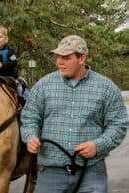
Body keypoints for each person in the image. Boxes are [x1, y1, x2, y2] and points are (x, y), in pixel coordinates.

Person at [20, 35, 128, 193]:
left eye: (66, 57)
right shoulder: (43, 85)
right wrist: (30, 136)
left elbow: (118, 124)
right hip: (50, 173)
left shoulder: (106, 88)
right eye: (58, 57)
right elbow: (29, 118)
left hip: (91, 172)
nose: (59, 62)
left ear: (82, 58)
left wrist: (98, 145)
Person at [0, 24, 29, 103]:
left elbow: (14, 63)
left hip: (9, 78)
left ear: (6, 39)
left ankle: (24, 104)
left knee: (20, 89)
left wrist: (2, 65)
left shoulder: (9, 51)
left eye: (0, 37)